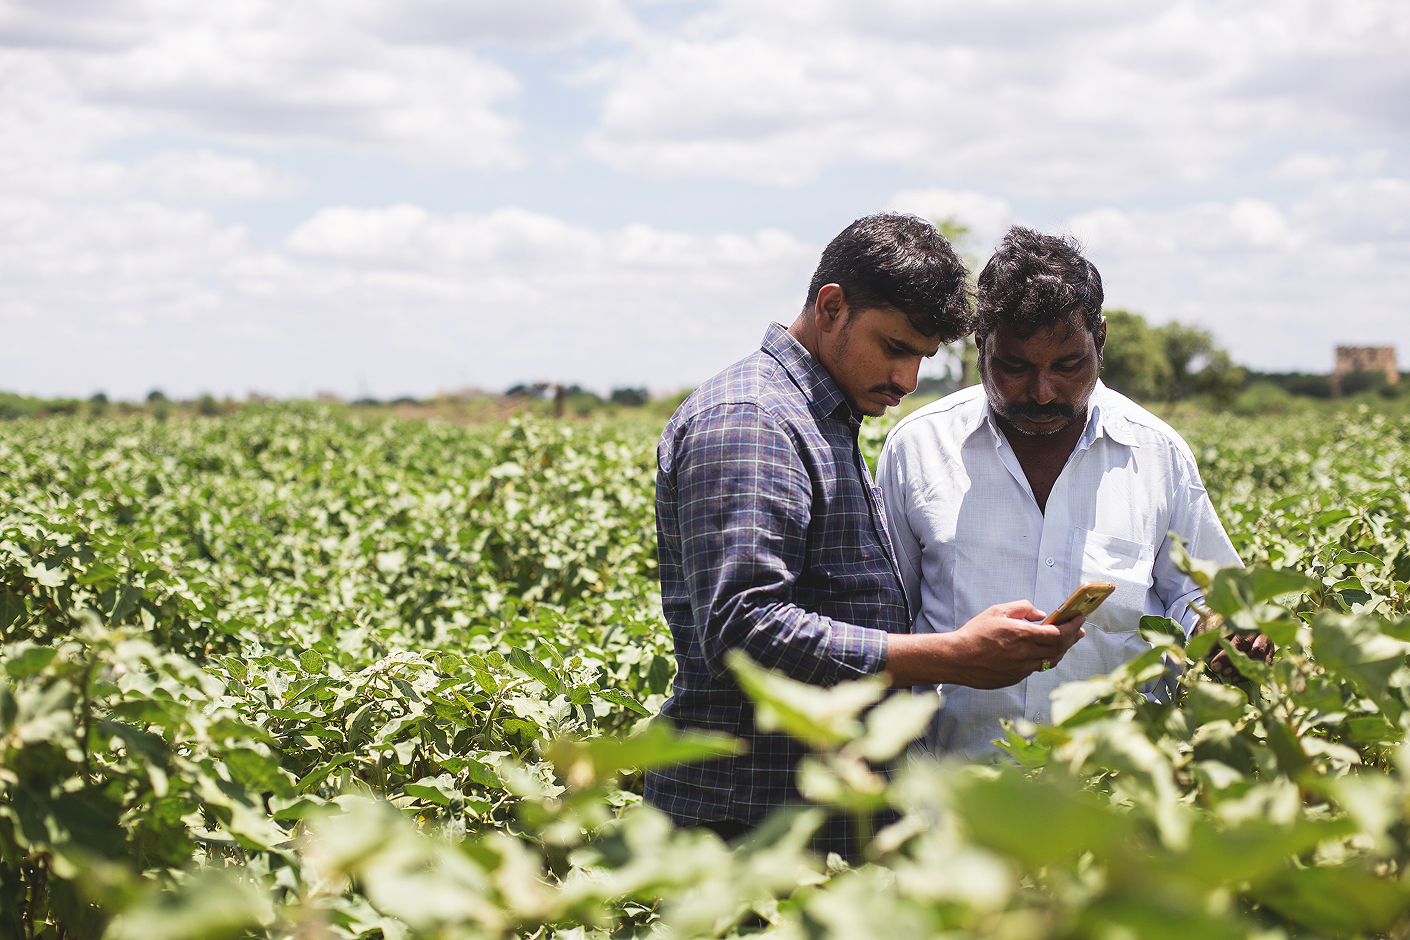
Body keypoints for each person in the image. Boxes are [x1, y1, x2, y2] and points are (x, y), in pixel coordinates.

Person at [643, 214, 1086, 853]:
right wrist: (951, 655)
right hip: (748, 826)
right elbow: (746, 629)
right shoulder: (753, 421)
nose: (907, 381)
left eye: (922, 359)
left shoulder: (820, 417)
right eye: (895, 348)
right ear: (831, 308)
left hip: (813, 820)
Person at [876, 225, 1258, 759]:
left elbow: (1198, 592)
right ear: (980, 343)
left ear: (1099, 339)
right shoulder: (918, 447)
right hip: (956, 785)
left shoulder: (1155, 452)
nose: (1042, 392)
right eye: (1014, 367)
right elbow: (886, 613)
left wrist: (1225, 628)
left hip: (1113, 786)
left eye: (1068, 365)